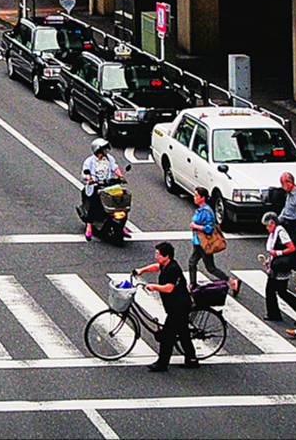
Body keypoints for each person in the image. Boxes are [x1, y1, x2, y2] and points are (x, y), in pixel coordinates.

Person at [135, 242, 198, 370]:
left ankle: (162, 364)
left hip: (179, 306)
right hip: (175, 305)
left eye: (158, 254)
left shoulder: (172, 269)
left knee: (167, 336)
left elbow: (169, 288)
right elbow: (156, 267)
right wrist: (141, 270)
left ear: (166, 256)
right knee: (183, 333)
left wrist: (154, 287)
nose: (156, 256)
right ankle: (191, 359)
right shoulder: (166, 265)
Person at [260, 211, 296, 322]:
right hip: (278, 265)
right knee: (281, 291)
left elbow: (291, 248)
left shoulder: (280, 232)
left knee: (270, 290)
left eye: (267, 225)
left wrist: (278, 253)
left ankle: (274, 314)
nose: (266, 228)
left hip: (280, 267)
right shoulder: (275, 233)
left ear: (272, 223)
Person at [81, 138, 124, 240]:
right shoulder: (90, 161)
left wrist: (120, 176)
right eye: (103, 149)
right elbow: (85, 173)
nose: (105, 151)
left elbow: (115, 168)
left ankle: (122, 225)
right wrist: (90, 179)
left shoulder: (109, 159)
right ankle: (89, 225)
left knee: (121, 198)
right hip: (96, 186)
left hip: (109, 186)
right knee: (94, 201)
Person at [189, 186, 225, 281]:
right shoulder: (201, 210)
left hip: (204, 243)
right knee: (192, 262)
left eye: (196, 195)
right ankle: (192, 284)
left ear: (202, 198)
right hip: (198, 242)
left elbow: (209, 229)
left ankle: (231, 281)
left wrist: (195, 226)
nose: (194, 197)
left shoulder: (206, 211)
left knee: (210, 268)